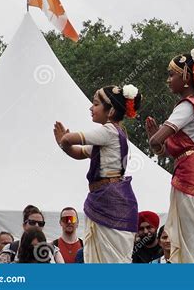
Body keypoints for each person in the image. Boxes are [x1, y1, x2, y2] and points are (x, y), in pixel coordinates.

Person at [146, 49, 194, 263]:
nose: (168, 80)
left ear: (187, 77)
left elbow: (156, 142)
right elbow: (167, 150)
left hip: (192, 175)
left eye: (172, 74)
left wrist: (154, 138)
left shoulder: (187, 106)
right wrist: (157, 143)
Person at [55, 84, 141, 263]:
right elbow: (78, 153)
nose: (90, 108)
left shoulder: (108, 131)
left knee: (109, 259)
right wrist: (63, 143)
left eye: (95, 104)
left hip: (110, 198)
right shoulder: (115, 133)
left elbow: (71, 139)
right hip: (108, 197)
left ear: (110, 111)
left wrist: (64, 140)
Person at [0, 205, 64, 263]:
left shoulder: (53, 250)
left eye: (40, 223)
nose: (37, 226)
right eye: (32, 222)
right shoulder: (10, 249)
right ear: (24, 225)